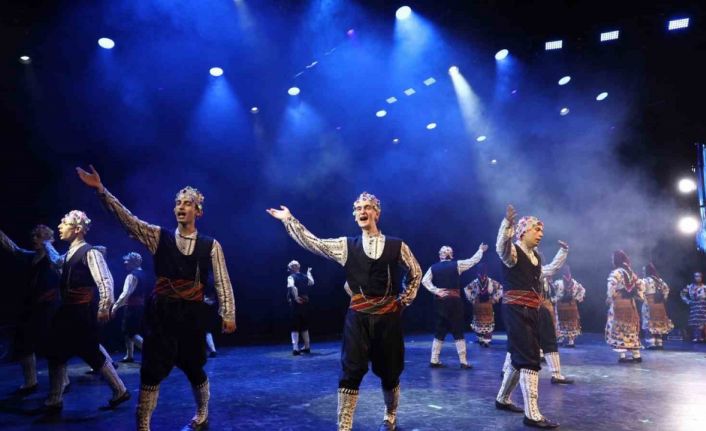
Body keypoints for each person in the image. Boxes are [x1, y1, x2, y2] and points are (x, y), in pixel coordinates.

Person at [76, 165, 236, 431]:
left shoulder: (210, 245)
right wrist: (102, 191)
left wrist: (228, 313)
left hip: (191, 313)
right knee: (151, 370)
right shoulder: (158, 236)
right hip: (162, 312)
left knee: (194, 367)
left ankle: (202, 411)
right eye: (178, 203)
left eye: (187, 203)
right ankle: (143, 425)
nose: (181, 207)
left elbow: (222, 280)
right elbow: (129, 220)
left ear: (198, 211)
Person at [267, 192, 421, 431]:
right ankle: (344, 425)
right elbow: (314, 243)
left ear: (377, 213)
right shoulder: (346, 245)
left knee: (390, 371)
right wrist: (289, 220)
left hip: (387, 318)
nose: (362, 211)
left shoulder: (396, 245)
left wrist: (403, 300)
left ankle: (390, 415)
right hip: (358, 318)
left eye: (367, 207)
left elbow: (415, 272)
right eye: (358, 208)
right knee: (351, 370)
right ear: (354, 215)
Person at [43, 210, 129, 412]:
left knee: (91, 353)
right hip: (67, 311)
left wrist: (104, 306)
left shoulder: (90, 252)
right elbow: (57, 262)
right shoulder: (69, 254)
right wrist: (46, 244)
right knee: (55, 352)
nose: (59, 227)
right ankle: (54, 398)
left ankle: (120, 390)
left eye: (64, 223)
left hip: (81, 312)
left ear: (77, 229)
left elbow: (105, 280)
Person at [494, 205, 562, 429]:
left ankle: (502, 399)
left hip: (530, 311)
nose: (540, 234)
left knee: (518, 357)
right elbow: (501, 248)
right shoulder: (514, 252)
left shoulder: (536, 257)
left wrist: (562, 255)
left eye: (541, 230)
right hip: (516, 311)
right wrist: (507, 225)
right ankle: (532, 414)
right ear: (523, 232)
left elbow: (547, 272)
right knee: (530, 358)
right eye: (536, 229)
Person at [0, 225, 61, 396]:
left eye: (39, 236)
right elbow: (14, 248)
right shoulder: (31, 257)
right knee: (23, 344)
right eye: (34, 236)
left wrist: (48, 245)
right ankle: (30, 382)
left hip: (50, 308)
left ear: (49, 240)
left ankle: (62, 382)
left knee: (52, 347)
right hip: (32, 307)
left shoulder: (53, 260)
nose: (34, 239)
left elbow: (59, 266)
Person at [605, 250, 645, 363]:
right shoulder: (631, 273)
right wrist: (638, 295)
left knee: (619, 327)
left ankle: (622, 356)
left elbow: (611, 285)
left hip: (619, 302)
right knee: (631, 327)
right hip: (630, 304)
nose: (612, 261)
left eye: (612, 259)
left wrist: (610, 296)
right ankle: (636, 355)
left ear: (616, 260)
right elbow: (641, 285)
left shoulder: (616, 273)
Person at [111, 252, 147, 362]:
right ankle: (129, 355)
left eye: (128, 261)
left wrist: (115, 307)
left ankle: (151, 353)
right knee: (128, 332)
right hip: (140, 307)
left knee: (132, 333)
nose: (125, 263)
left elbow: (125, 294)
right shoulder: (143, 274)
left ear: (134, 262)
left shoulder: (132, 276)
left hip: (133, 308)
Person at [464, 264, 503, 347]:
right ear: (477, 273)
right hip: (478, 306)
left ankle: (487, 341)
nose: (482, 275)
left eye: (483, 273)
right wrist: (473, 299)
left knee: (488, 322)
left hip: (488, 305)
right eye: (480, 273)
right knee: (478, 322)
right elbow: (466, 289)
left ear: (486, 273)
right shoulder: (475, 282)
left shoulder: (491, 281)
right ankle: (480, 339)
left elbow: (501, 288)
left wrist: (494, 298)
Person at [640, 263, 673, 349]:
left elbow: (640, 290)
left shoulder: (645, 280)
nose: (643, 272)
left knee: (648, 323)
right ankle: (659, 343)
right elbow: (666, 289)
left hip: (649, 303)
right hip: (659, 304)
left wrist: (642, 298)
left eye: (644, 270)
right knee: (658, 323)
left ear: (647, 271)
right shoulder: (659, 280)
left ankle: (651, 343)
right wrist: (664, 298)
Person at [287, 260, 315, 355]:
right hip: (305, 304)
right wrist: (309, 273)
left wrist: (295, 297)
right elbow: (311, 282)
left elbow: (293, 287)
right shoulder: (305, 276)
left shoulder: (291, 277)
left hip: (296, 304)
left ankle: (295, 348)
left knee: (295, 326)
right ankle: (307, 347)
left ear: (291, 268)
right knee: (304, 325)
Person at [553, 266, 585, 347]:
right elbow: (582, 290)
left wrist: (554, 299)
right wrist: (577, 298)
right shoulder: (574, 283)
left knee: (560, 322)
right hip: (571, 306)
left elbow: (552, 293)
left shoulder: (558, 283)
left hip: (561, 306)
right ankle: (571, 341)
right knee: (571, 322)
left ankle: (560, 339)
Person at [680, 272, 706, 342]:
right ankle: (696, 337)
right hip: (694, 305)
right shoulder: (690, 287)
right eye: (696, 276)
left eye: (699, 276)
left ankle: (703, 337)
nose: (698, 278)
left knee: (703, 322)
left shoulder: (704, 287)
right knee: (695, 322)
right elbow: (682, 294)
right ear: (694, 278)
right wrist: (688, 301)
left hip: (704, 306)